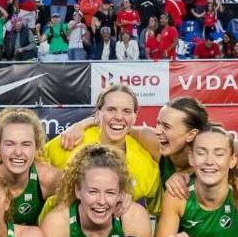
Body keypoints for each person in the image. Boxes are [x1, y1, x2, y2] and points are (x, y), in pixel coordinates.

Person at [42, 85, 160, 215]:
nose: (119, 117)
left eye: (126, 111)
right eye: (111, 109)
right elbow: (32, 170)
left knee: (135, 212)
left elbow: (162, 207)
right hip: (58, 223)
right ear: (98, 113)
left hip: (113, 226)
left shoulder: (145, 165)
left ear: (135, 116)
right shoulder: (71, 141)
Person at [39, 145, 152, 237]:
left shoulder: (134, 214)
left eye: (110, 193)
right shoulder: (57, 221)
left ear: (121, 193)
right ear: (78, 190)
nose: (102, 201)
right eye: (93, 192)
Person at [0, 108, 62, 226]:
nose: (18, 152)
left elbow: (85, 189)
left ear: (36, 147)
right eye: (10, 144)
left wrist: (80, 125)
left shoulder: (47, 178)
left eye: (26, 144)